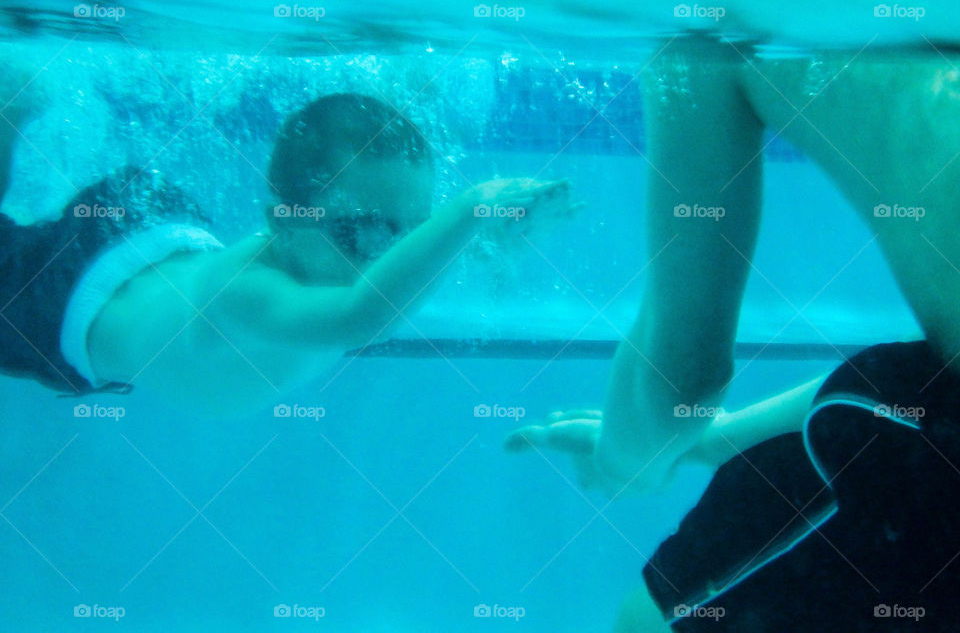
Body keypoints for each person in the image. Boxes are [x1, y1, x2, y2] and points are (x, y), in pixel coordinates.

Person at [506, 36, 960, 631]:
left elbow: (680, 382)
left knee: (649, 620)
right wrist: (715, 439)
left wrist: (625, 460)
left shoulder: (704, 21)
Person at [0, 90, 574, 414]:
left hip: (154, 227)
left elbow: (404, 271)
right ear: (284, 222)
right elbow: (360, 316)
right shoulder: (247, 293)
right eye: (370, 233)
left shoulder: (339, 257)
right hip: (60, 304)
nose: (391, 256)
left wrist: (491, 237)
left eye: (415, 230)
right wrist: (473, 207)